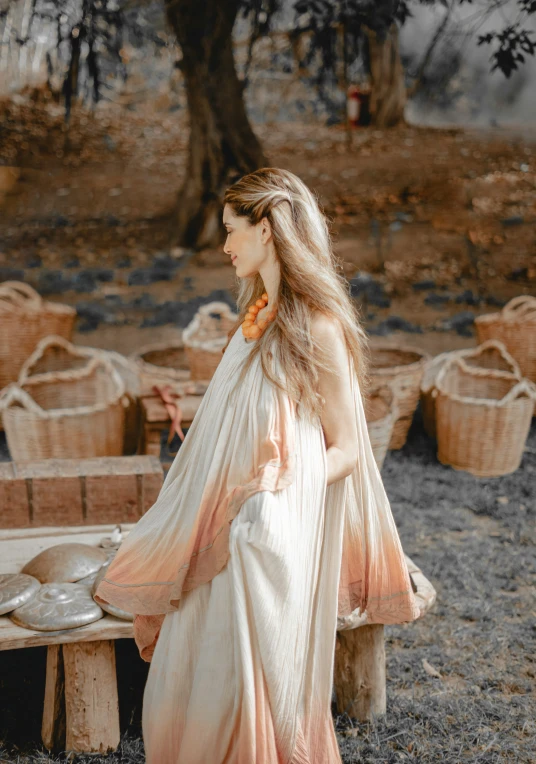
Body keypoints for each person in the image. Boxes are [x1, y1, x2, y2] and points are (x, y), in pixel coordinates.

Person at [94, 167, 422, 763]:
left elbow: (349, 448)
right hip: (224, 518)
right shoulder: (254, 322)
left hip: (268, 532)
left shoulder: (319, 328)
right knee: (193, 654)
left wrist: (279, 495)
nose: (223, 245)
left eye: (231, 230)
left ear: (266, 229)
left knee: (247, 666)